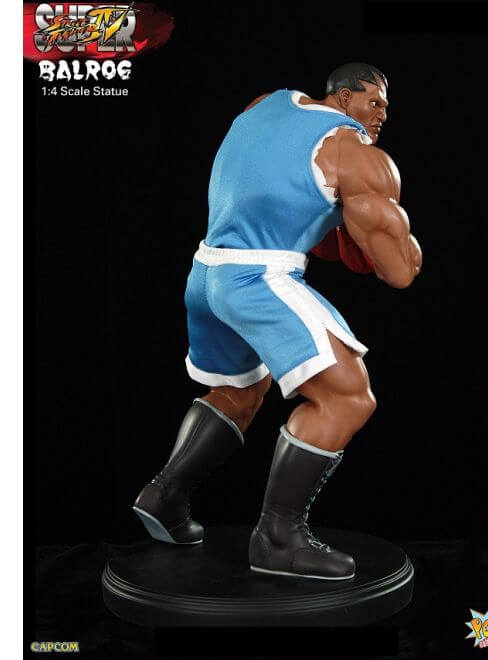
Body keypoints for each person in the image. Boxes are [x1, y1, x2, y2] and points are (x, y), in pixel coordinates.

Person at [133, 62, 422, 580]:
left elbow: (267, 188)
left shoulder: (265, 103)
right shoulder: (355, 153)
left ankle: (163, 495)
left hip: (206, 271)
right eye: (375, 101)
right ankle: (278, 539)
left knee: (239, 391)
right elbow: (399, 272)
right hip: (258, 277)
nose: (382, 115)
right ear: (344, 97)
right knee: (348, 397)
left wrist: (333, 219)